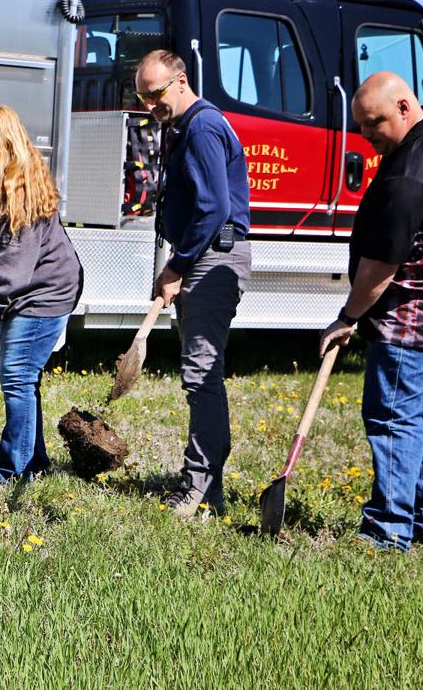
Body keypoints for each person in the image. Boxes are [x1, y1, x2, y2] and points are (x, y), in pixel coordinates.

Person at [320, 72, 423, 551]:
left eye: (375, 125)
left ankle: (389, 530)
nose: (367, 137)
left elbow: (381, 267)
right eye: (362, 127)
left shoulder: (409, 173)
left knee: (394, 418)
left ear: (405, 108)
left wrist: (348, 317)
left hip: (415, 320)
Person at [134, 49, 251, 516]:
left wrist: (177, 267)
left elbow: (214, 209)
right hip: (201, 254)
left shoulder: (202, 126)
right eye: (142, 96)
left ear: (181, 81)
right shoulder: (181, 125)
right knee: (200, 376)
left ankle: (198, 488)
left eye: (155, 94)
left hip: (213, 258)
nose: (148, 105)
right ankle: (211, 491)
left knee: (201, 376)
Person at [0, 105, 83, 486]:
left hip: (45, 291)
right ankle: (35, 462)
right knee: (24, 378)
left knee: (17, 376)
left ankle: (14, 471)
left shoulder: (22, 188)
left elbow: (11, 262)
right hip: (21, 290)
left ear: (10, 144)